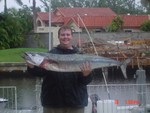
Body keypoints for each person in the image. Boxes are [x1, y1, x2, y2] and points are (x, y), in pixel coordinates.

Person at [27, 25, 93, 113]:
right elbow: (40, 73)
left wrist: (86, 75)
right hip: (52, 104)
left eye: (68, 35)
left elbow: (86, 81)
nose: (65, 37)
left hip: (76, 103)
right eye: (62, 35)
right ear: (58, 37)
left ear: (72, 36)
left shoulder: (81, 56)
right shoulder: (49, 55)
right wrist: (31, 67)